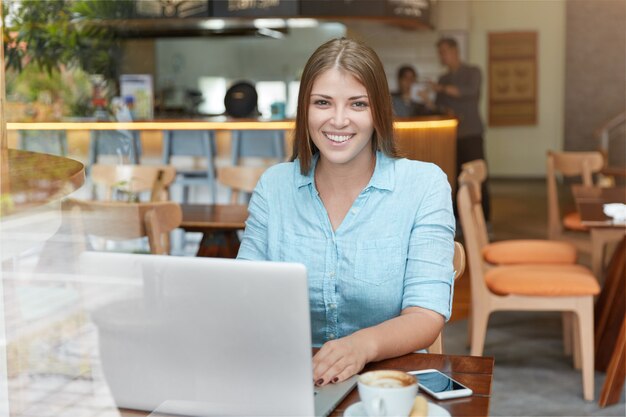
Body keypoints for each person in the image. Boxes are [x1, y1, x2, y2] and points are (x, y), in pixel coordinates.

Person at [237, 38, 455, 386]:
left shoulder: (424, 186)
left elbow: (426, 314)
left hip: (386, 384)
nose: (338, 120)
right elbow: (241, 295)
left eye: (357, 104)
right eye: (323, 102)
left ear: (378, 111)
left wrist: (360, 347)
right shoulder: (273, 186)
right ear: (304, 110)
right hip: (288, 381)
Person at [429, 37, 491, 221]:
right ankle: (459, 221)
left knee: (478, 177)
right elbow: (440, 108)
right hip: (451, 136)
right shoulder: (443, 78)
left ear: (456, 51)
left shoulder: (473, 72)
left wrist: (440, 88)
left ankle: (484, 220)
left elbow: (468, 92)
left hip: (471, 133)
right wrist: (428, 101)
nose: (441, 56)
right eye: (439, 52)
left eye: (444, 51)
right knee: (454, 179)